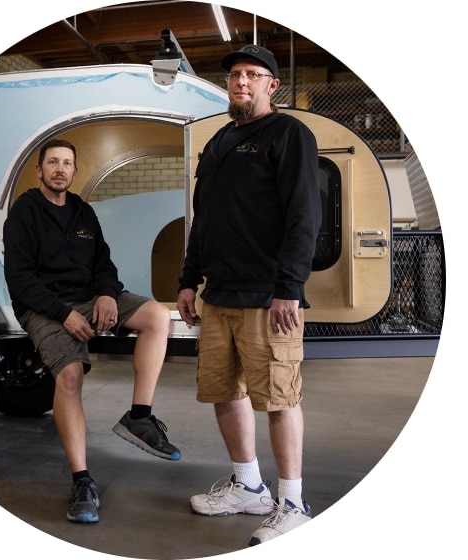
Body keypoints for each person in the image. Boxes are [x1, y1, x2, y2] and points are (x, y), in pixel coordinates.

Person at [176, 45, 321, 545]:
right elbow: (204, 220)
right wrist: (188, 280)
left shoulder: (289, 135)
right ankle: (248, 485)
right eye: (235, 75)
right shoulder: (218, 143)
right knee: (223, 392)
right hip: (219, 294)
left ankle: (294, 502)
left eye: (252, 75)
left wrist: (290, 288)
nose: (241, 82)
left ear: (271, 85)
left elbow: (304, 214)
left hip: (268, 297)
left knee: (279, 397)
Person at [3, 138, 181, 524]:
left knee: (157, 317)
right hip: (44, 307)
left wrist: (105, 294)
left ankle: (139, 415)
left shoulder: (83, 212)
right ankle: (82, 481)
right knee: (69, 376)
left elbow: (104, 262)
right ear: (39, 171)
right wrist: (63, 313)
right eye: (53, 162)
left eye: (67, 163)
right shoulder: (24, 212)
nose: (60, 169)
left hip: (89, 297)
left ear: (75, 170)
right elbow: (19, 280)